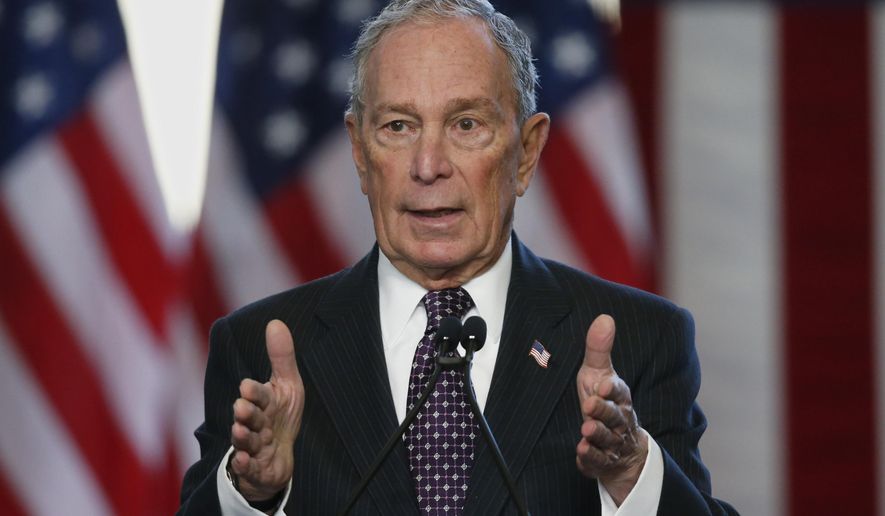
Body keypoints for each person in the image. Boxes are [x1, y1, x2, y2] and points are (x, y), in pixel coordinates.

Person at [178, 0, 737, 514]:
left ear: (526, 152)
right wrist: (250, 495)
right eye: (398, 126)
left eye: (466, 125)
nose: (428, 165)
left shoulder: (641, 341)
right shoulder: (259, 349)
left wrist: (632, 474)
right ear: (359, 150)